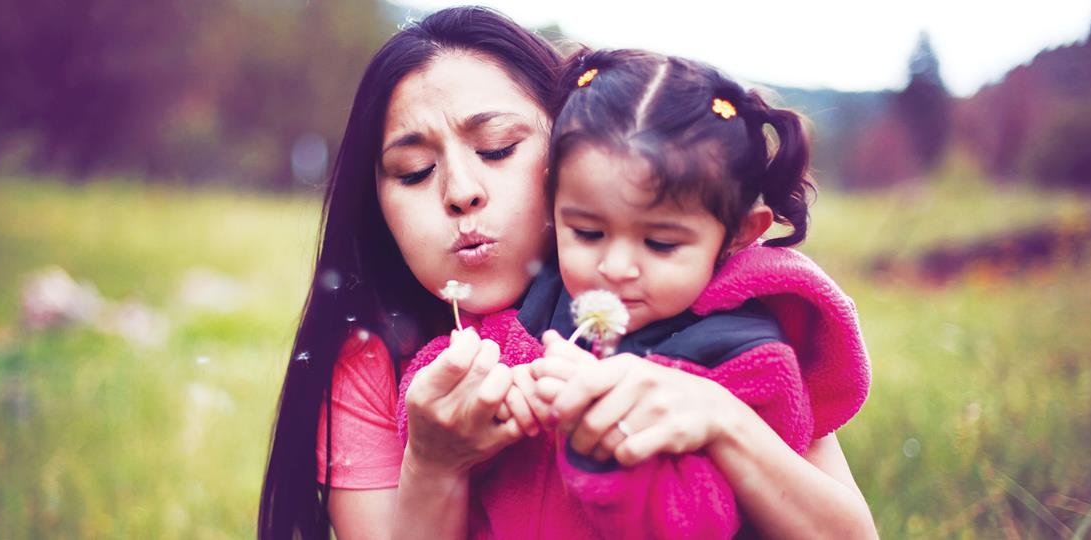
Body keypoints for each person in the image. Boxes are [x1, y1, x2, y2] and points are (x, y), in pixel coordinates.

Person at [257, 6, 877, 540]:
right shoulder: (373, 361)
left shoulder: (707, 309)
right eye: (414, 170)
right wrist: (435, 465)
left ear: (572, 149)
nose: (461, 192)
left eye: (498, 147)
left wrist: (719, 417)